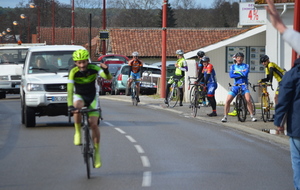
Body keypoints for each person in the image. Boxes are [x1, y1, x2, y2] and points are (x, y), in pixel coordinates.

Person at [67, 49, 112, 168]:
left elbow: (108, 78)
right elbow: (70, 90)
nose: (82, 65)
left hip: (92, 97)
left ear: (87, 61)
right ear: (75, 63)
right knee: (77, 108)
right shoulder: (73, 71)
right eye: (79, 63)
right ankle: (77, 132)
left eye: (84, 62)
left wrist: (106, 70)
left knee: (93, 124)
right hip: (80, 95)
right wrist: (70, 105)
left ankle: (97, 153)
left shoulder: (94, 68)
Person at [274, 58, 300, 190]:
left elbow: (283, 100)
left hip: (297, 125)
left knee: (298, 162)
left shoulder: (292, 74)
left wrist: (279, 121)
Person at [221, 52, 257, 122]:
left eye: (241, 58)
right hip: (236, 86)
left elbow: (245, 74)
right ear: (236, 59)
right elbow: (231, 75)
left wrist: (236, 72)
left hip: (244, 85)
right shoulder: (232, 66)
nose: (239, 59)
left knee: (248, 100)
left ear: (243, 59)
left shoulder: (246, 65)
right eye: (238, 58)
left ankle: (252, 116)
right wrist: (241, 73)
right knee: (228, 100)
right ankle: (225, 116)